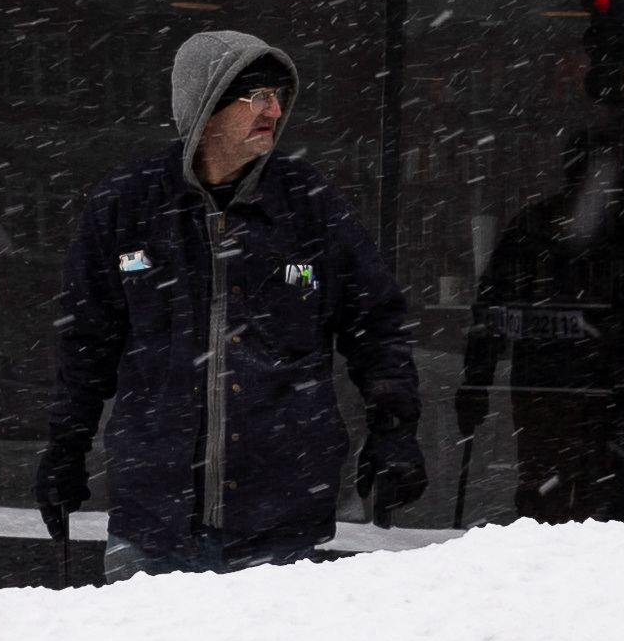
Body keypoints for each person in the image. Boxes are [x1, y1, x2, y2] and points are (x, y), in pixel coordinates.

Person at [39, 30, 424, 576]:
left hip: (280, 520)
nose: (273, 108)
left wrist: (395, 432)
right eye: (254, 96)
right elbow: (86, 344)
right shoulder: (128, 205)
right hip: (153, 517)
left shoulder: (308, 207)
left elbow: (376, 327)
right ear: (204, 110)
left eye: (276, 94)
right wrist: (64, 450)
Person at [455, 121, 624, 523]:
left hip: (559, 390)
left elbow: (492, 309)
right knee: (599, 511)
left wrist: (476, 380)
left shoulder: (537, 227)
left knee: (552, 506)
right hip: (604, 392)